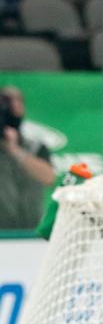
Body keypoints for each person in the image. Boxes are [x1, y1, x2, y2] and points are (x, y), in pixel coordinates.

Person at [0, 86, 55, 230]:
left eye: (17, 100)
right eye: (6, 101)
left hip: (30, 232)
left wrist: (15, 150)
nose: (12, 105)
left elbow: (49, 178)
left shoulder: (35, 147)